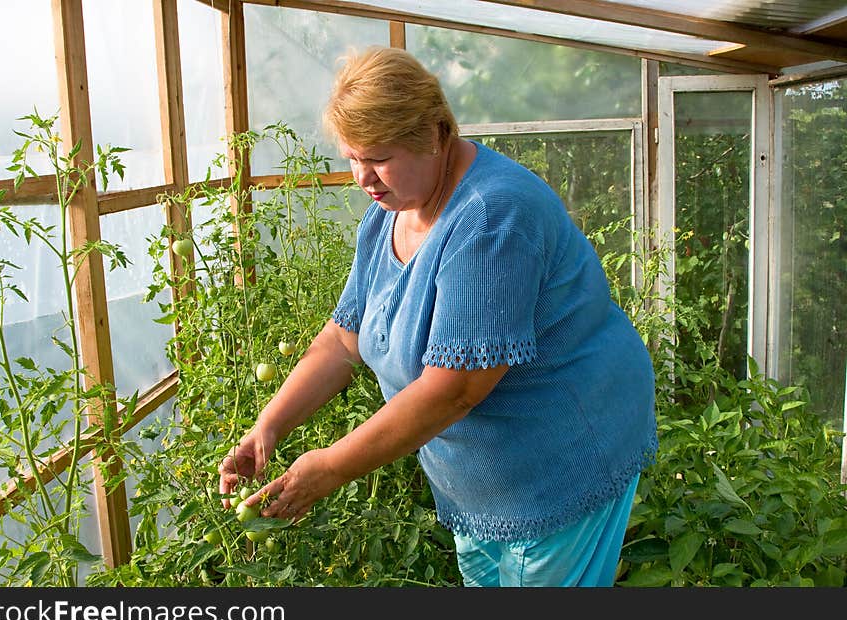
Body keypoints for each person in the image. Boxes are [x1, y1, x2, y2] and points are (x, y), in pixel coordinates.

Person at [218, 45, 658, 587]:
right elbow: (341, 340)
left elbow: (455, 390)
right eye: (353, 157)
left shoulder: (491, 219)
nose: (362, 177)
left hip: (556, 462)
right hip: (479, 481)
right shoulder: (391, 213)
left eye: (378, 157)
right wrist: (268, 427)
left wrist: (329, 467)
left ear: (433, 133)